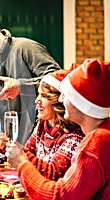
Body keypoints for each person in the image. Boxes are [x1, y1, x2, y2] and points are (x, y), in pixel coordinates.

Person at [6, 59, 110, 199]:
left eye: (66, 95)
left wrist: (22, 163)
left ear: (80, 103)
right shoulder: (100, 134)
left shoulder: (97, 144)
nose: (60, 99)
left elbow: (60, 196)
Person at [0, 4, 61, 145]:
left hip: (41, 143)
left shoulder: (25, 48)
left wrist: (20, 86)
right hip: (12, 148)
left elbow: (57, 80)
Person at [22, 69, 84, 180]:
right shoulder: (43, 124)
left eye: (43, 96)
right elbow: (29, 150)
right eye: (38, 95)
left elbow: (55, 173)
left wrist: (20, 156)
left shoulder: (74, 134)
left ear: (57, 100)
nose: (37, 100)